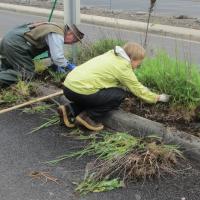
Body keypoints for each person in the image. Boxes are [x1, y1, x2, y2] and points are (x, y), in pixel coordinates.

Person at [58, 42, 170, 131]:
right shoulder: (123, 67)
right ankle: (88, 117)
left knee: (96, 94)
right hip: (81, 91)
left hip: (68, 87)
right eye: (138, 63)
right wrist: (157, 98)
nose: (139, 65)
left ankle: (69, 110)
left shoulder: (111, 55)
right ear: (132, 59)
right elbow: (138, 89)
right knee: (119, 94)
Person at [0, 22, 84, 86]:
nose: (71, 43)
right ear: (70, 34)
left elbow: (51, 54)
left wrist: (56, 66)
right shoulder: (57, 34)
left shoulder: (54, 26)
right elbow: (58, 57)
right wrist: (68, 66)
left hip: (11, 39)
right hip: (16, 44)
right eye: (74, 40)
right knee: (27, 74)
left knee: (8, 66)